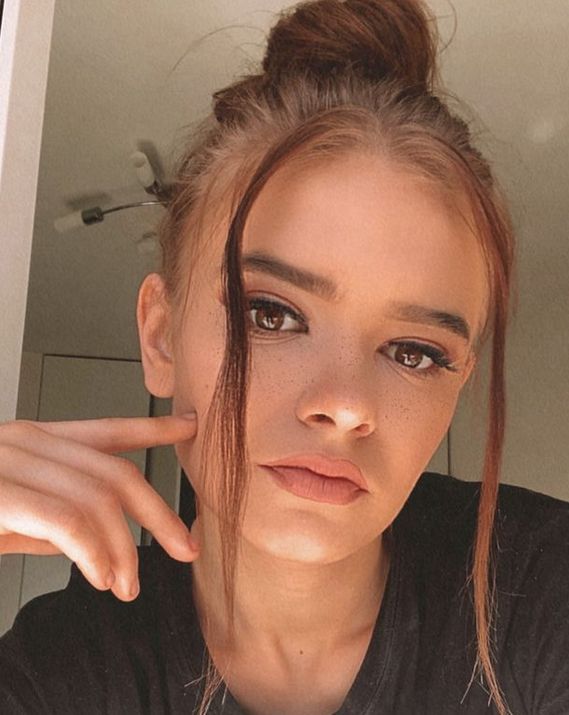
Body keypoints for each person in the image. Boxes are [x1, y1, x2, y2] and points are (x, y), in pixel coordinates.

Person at [0, 0, 568, 713]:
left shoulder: (541, 592)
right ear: (161, 335)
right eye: (271, 314)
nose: (346, 405)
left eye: (415, 352)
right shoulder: (67, 666)